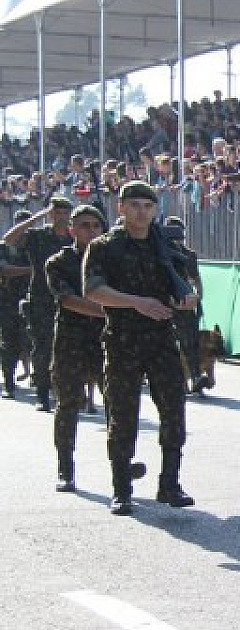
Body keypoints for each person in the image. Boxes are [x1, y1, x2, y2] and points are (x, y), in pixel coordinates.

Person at [83, 181, 198, 516]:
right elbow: (93, 290)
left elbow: (185, 286)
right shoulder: (104, 247)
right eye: (134, 205)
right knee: (123, 415)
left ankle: (170, 483)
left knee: (174, 410)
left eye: (147, 206)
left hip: (162, 339)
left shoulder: (164, 246)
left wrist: (188, 298)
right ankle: (121, 489)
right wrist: (137, 303)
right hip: (122, 340)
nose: (141, 212)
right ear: (121, 209)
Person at [44, 205, 107, 493]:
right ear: (71, 229)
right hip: (71, 339)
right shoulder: (58, 262)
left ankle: (122, 463)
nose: (91, 231)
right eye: (84, 225)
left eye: (96, 225)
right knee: (68, 404)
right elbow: (68, 300)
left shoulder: (111, 260)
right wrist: (114, 310)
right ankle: (65, 467)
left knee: (119, 403)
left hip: (108, 340)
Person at [2, 196, 74, 411]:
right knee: (42, 347)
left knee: (69, 347)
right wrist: (38, 217)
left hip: (69, 297)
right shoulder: (38, 236)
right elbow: (9, 239)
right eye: (57, 212)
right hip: (42, 298)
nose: (61, 216)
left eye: (64, 212)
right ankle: (43, 394)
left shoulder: (73, 237)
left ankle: (65, 391)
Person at [163, 216, 205, 394]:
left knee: (191, 343)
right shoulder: (160, 252)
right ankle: (177, 380)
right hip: (165, 304)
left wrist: (197, 297)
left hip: (186, 304)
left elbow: (196, 279)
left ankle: (196, 377)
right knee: (169, 345)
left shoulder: (189, 255)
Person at [0, 210, 33, 398]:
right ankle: (10, 383)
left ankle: (40, 378)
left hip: (33, 300)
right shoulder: (4, 247)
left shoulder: (36, 245)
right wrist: (32, 269)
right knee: (10, 343)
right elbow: (4, 270)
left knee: (32, 341)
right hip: (8, 302)